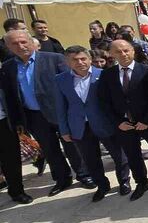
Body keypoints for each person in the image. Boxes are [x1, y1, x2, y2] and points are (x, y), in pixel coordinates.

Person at [1, 30, 90, 195]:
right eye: (15, 43)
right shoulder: (8, 67)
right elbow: (11, 95)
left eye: (23, 41)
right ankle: (62, 179)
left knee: (72, 144)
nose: (20, 46)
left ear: (30, 41)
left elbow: (70, 85)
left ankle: (84, 174)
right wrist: (17, 121)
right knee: (49, 149)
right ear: (8, 46)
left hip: (60, 112)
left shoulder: (54, 59)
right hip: (33, 116)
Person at [98, 39, 148, 199]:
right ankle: (142, 182)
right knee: (133, 155)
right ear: (111, 54)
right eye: (118, 51)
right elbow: (104, 102)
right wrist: (118, 122)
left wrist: (146, 120)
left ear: (133, 51)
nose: (123, 54)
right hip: (124, 124)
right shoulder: (107, 75)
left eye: (126, 50)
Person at [55, 46, 130, 202]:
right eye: (74, 60)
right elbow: (60, 107)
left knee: (119, 154)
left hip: (105, 123)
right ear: (67, 62)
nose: (80, 62)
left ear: (89, 59)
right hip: (79, 126)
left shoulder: (104, 75)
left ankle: (124, 181)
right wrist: (64, 130)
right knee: (90, 159)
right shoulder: (60, 80)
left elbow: (115, 101)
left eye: (83, 58)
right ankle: (102, 185)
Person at [0, 59, 32, 204]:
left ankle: (16, 191)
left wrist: (18, 121)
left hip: (4, 123)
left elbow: (13, 99)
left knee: (11, 159)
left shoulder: (2, 76)